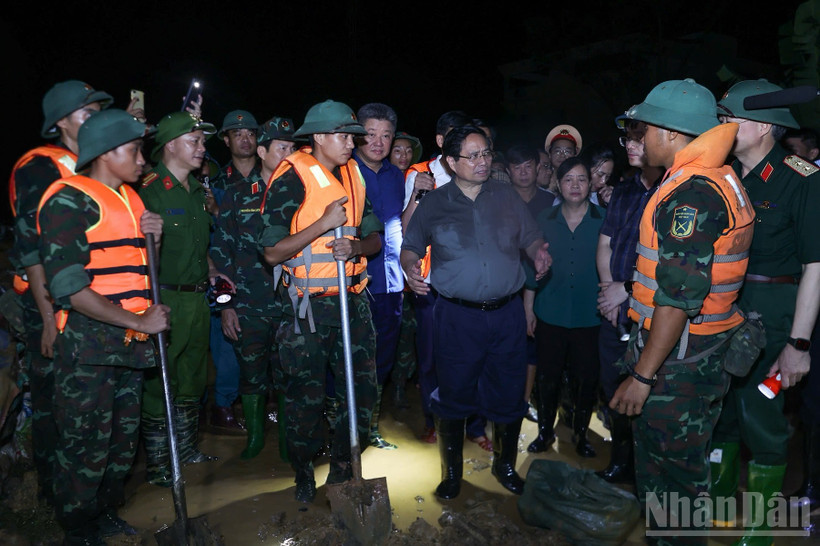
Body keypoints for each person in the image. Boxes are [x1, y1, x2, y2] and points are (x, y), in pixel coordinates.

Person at [609, 78, 754, 543]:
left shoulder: (692, 196)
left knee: (673, 483)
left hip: (678, 367)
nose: (638, 138)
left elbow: (677, 299)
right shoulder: (714, 177)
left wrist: (644, 376)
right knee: (672, 480)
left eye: (643, 129)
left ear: (670, 133)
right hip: (694, 357)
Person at [37, 109, 170, 545]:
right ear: (107, 153)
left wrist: (156, 237)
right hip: (89, 347)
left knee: (119, 443)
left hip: (129, 344)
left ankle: (105, 512)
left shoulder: (133, 199)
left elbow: (134, 269)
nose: (142, 160)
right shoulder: (68, 199)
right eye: (133, 150)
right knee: (83, 446)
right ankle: (77, 529)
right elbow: (70, 288)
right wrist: (140, 320)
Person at [401, 124, 551, 499]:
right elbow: (410, 245)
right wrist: (410, 267)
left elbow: (531, 236)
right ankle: (452, 473)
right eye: (472, 155)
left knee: (509, 391)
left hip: (507, 315)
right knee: (453, 392)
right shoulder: (434, 203)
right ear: (451, 162)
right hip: (456, 317)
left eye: (486, 153)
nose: (482, 162)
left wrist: (539, 252)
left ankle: (504, 466)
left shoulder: (507, 197)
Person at [710, 79, 820, 544]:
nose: (720, 127)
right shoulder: (723, 174)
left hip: (776, 321)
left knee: (765, 416)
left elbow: (816, 266)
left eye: (727, 119)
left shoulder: (803, 179)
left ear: (759, 126)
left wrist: (798, 345)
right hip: (721, 315)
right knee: (722, 416)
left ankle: (757, 533)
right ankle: (715, 514)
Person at [259, 100, 381, 503]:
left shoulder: (354, 174)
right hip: (306, 309)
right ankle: (303, 472)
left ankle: (345, 469)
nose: (352, 143)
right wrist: (323, 226)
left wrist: (357, 244)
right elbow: (272, 253)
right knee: (304, 398)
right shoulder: (291, 178)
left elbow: (375, 237)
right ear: (319, 138)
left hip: (353, 303)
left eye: (352, 136)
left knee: (361, 392)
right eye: (344, 136)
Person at [8, 79, 113, 506]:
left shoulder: (91, 163)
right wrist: (49, 319)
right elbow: (31, 250)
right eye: (87, 112)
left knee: (97, 406)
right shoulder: (39, 169)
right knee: (57, 404)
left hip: (93, 303)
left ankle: (98, 497)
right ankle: (58, 500)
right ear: (61, 122)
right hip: (51, 306)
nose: (94, 118)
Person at [138, 111, 227, 486]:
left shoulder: (196, 191)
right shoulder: (149, 191)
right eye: (194, 141)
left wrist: (210, 269)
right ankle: (160, 465)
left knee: (193, 378)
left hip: (196, 300)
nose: (201, 148)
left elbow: (196, 242)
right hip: (164, 299)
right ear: (170, 145)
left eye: (202, 142)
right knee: (161, 381)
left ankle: (186, 451)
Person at [210, 116, 298, 460]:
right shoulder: (235, 195)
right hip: (248, 302)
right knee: (251, 374)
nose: (289, 154)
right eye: (282, 148)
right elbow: (221, 253)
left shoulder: (300, 193)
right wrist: (226, 305)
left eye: (293, 148)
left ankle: (291, 442)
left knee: (290, 374)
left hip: (292, 301)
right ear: (263, 152)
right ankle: (256, 438)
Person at [594, 116, 663, 484]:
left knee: (646, 390)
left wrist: (628, 288)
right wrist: (610, 292)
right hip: (615, 308)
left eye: (639, 139)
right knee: (614, 386)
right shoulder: (624, 190)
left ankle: (646, 473)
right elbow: (605, 243)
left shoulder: (675, 191)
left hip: (653, 314)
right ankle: (620, 460)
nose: (631, 146)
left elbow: (674, 266)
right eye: (627, 140)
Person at [524, 156, 605, 458]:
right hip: (551, 313)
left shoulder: (605, 219)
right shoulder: (544, 219)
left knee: (586, 380)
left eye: (581, 179)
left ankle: (581, 434)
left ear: (591, 184)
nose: (575, 185)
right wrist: (529, 309)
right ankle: (545, 432)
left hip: (590, 316)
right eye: (568, 179)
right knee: (548, 379)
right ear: (558, 184)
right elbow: (532, 268)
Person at [353, 102, 405, 449]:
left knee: (383, 358)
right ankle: (347, 430)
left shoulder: (397, 177)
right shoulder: (343, 172)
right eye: (371, 134)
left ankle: (370, 426)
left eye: (386, 135)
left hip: (392, 283)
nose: (378, 142)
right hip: (354, 283)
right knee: (352, 359)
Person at [208, 109, 262, 433]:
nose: (245, 138)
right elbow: (209, 238)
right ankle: (223, 406)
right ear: (226, 140)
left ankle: (263, 404)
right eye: (237, 134)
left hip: (266, 276)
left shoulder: (273, 176)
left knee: (268, 346)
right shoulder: (215, 183)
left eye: (251, 133)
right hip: (228, 274)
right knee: (227, 343)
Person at [543, 124, 582, 193]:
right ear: (550, 153)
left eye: (567, 152)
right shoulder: (542, 177)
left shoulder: (581, 179)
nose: (562, 156)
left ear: (575, 154)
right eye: (557, 151)